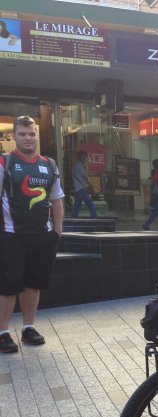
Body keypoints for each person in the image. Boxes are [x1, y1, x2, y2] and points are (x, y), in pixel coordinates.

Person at [0, 115, 65, 353]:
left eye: (31, 134)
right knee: (8, 287)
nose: (28, 138)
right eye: (22, 134)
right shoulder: (5, 162)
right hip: (11, 236)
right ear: (14, 136)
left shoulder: (49, 165)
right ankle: (3, 333)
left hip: (41, 236)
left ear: (37, 135)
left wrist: (57, 231)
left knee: (33, 284)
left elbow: (56, 199)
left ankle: (29, 328)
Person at [70, 151, 98, 219]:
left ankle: (72, 219)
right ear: (83, 158)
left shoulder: (77, 166)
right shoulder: (79, 166)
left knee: (77, 206)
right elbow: (86, 176)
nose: (87, 159)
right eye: (86, 157)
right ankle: (95, 219)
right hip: (80, 189)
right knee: (90, 204)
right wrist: (86, 167)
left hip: (78, 189)